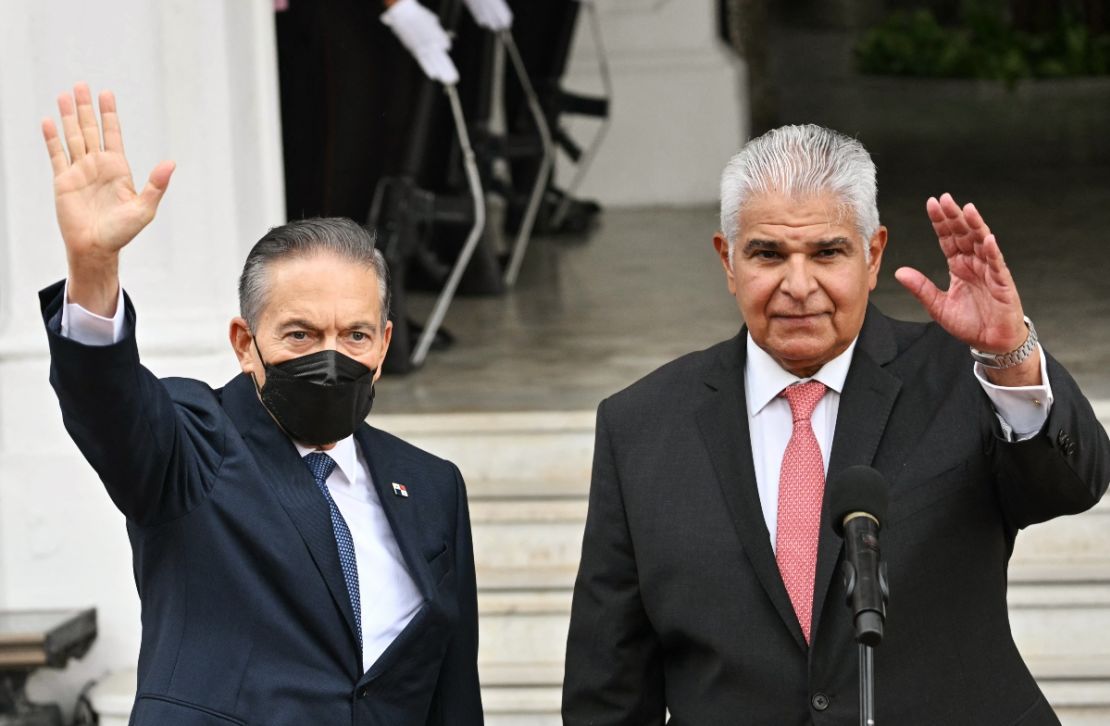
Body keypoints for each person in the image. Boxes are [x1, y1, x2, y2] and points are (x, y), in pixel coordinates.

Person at [562, 124, 1110, 725]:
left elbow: (1075, 483)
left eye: (827, 252)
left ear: (872, 255)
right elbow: (608, 687)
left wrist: (1010, 353)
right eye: (768, 254)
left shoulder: (962, 376)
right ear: (727, 259)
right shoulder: (642, 425)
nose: (798, 287)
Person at [38, 83, 482, 725]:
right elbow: (109, 404)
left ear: (383, 346)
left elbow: (450, 694)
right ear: (246, 344)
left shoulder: (432, 486)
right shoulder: (194, 446)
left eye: (354, 335)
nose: (332, 357)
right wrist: (93, 269)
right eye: (300, 334)